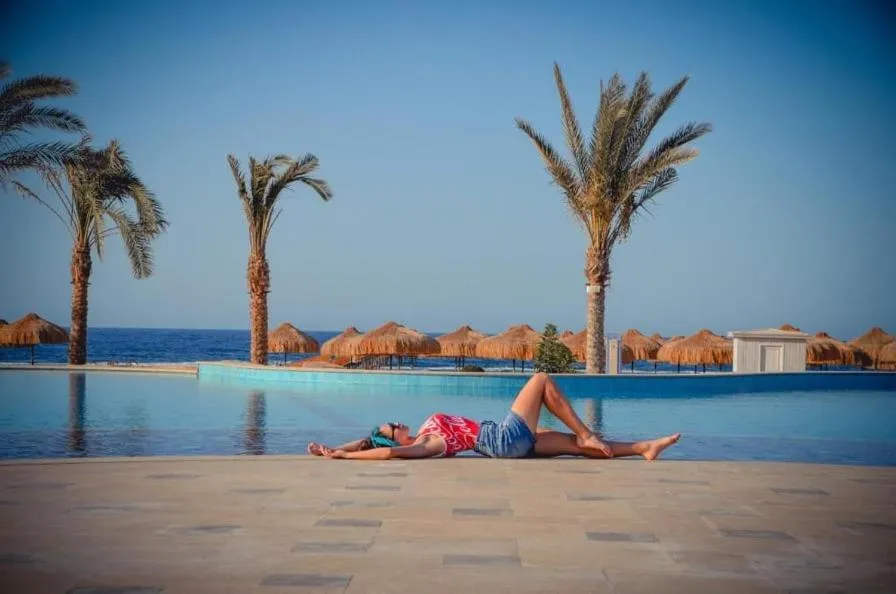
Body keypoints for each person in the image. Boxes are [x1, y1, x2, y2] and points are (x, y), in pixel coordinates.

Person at [307, 372, 681, 461]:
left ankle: (644, 447)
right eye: (394, 428)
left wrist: (336, 449)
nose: (398, 423)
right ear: (398, 439)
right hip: (502, 440)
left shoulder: (423, 430)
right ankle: (585, 432)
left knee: (569, 446)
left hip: (507, 443)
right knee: (540, 380)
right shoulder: (425, 444)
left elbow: (373, 441)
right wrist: (350, 458)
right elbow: (386, 453)